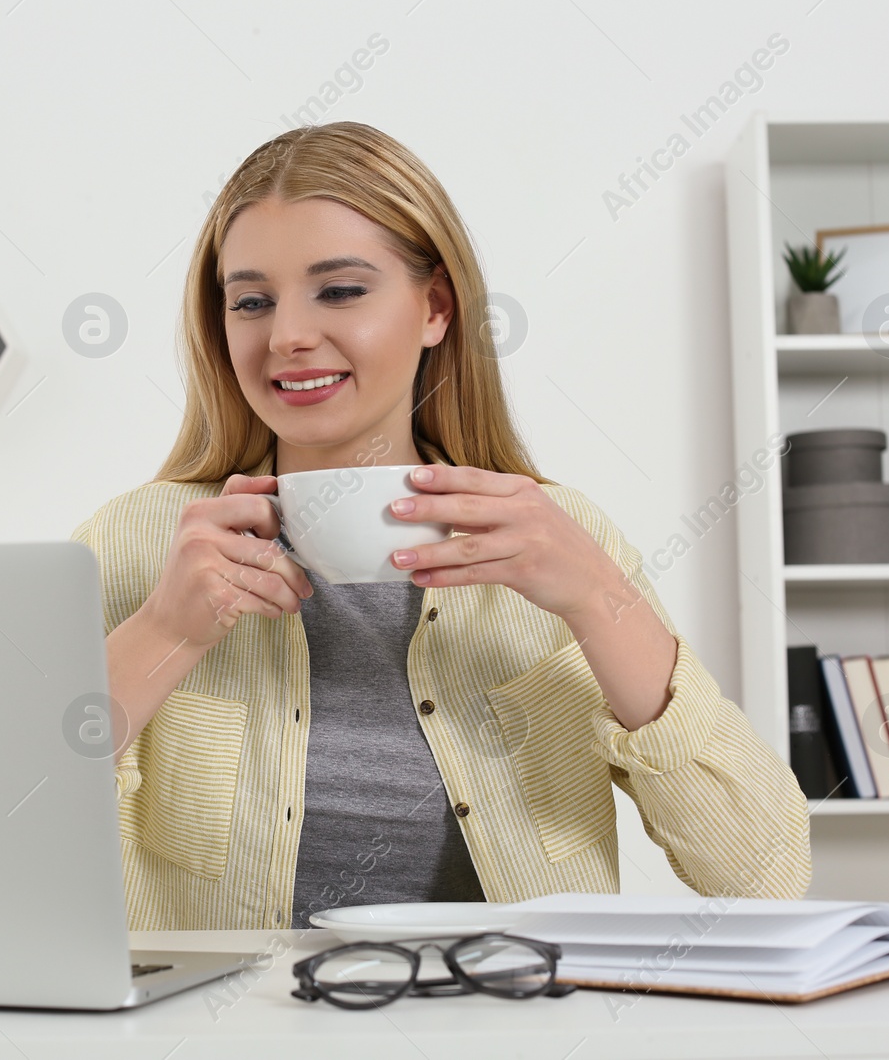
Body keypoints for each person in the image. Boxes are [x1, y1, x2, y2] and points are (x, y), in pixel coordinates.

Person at [70, 121, 809, 931]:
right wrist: (162, 631)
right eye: (252, 301)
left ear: (436, 308)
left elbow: (765, 873)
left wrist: (600, 598)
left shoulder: (557, 540)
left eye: (340, 290)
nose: (285, 336)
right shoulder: (139, 544)